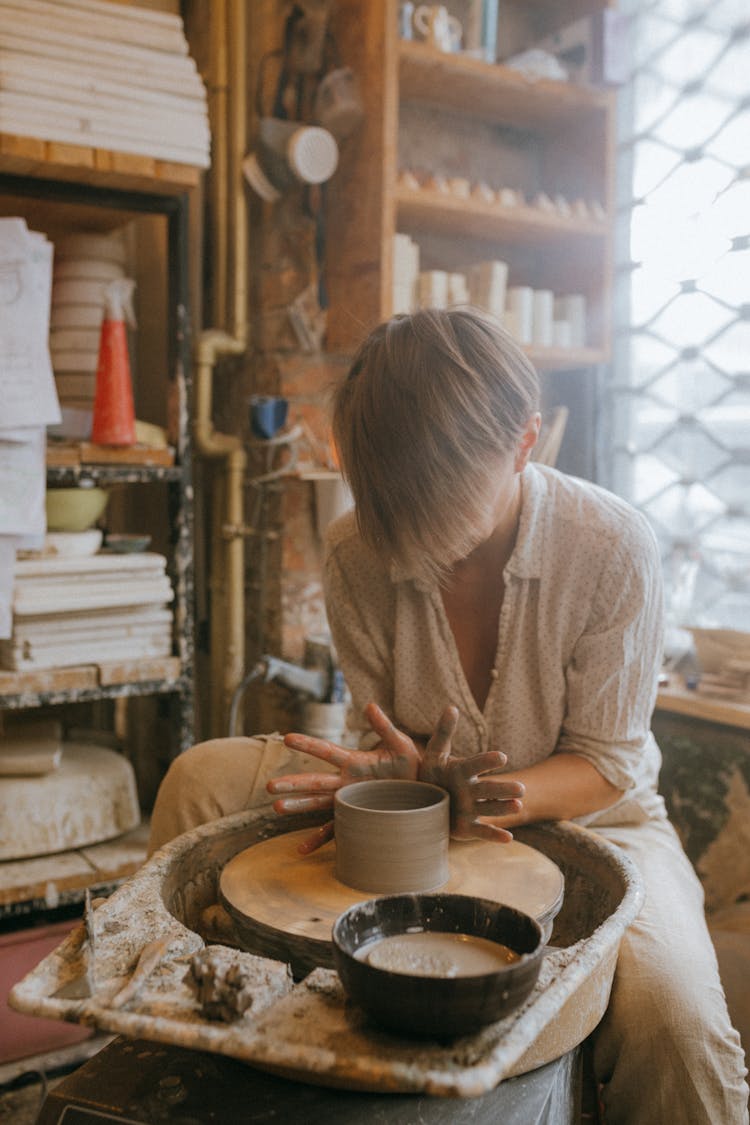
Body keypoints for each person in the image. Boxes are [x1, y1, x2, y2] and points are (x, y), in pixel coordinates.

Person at [150, 308, 748, 1124]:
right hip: (416, 795)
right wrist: (396, 779)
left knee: (677, 1023)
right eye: (394, 511)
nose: (416, 545)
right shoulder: (359, 547)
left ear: (525, 442)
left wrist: (477, 795)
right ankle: (162, 1060)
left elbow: (605, 763)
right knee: (198, 779)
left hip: (601, 816)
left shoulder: (613, 548)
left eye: (443, 511)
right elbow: (382, 735)